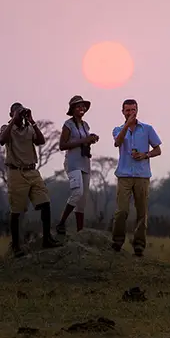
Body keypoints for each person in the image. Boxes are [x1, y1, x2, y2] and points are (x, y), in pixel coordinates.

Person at [0, 102, 61, 257]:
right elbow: (2, 140)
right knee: (17, 211)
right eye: (16, 112)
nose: (20, 115)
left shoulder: (29, 129)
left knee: (45, 203)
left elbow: (41, 141)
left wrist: (32, 121)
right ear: (10, 114)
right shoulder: (6, 128)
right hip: (16, 173)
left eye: (21, 112)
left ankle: (47, 239)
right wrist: (14, 119)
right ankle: (16, 246)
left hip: (32, 171)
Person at [111, 98, 162, 256]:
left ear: (137, 110)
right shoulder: (117, 129)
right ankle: (117, 243)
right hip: (124, 175)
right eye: (128, 110)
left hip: (142, 176)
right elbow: (117, 143)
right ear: (123, 112)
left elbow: (158, 150)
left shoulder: (147, 129)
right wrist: (127, 125)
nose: (131, 113)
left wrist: (145, 155)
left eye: (133, 110)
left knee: (141, 212)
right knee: (122, 211)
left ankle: (139, 246)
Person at [56, 95, 99, 235]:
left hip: (85, 162)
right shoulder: (68, 124)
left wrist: (91, 139)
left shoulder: (85, 125)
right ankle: (61, 223)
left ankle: (80, 231)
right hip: (73, 163)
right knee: (77, 192)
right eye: (78, 106)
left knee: (83, 198)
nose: (81, 108)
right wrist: (84, 140)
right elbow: (62, 145)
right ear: (72, 109)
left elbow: (83, 140)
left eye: (83, 106)